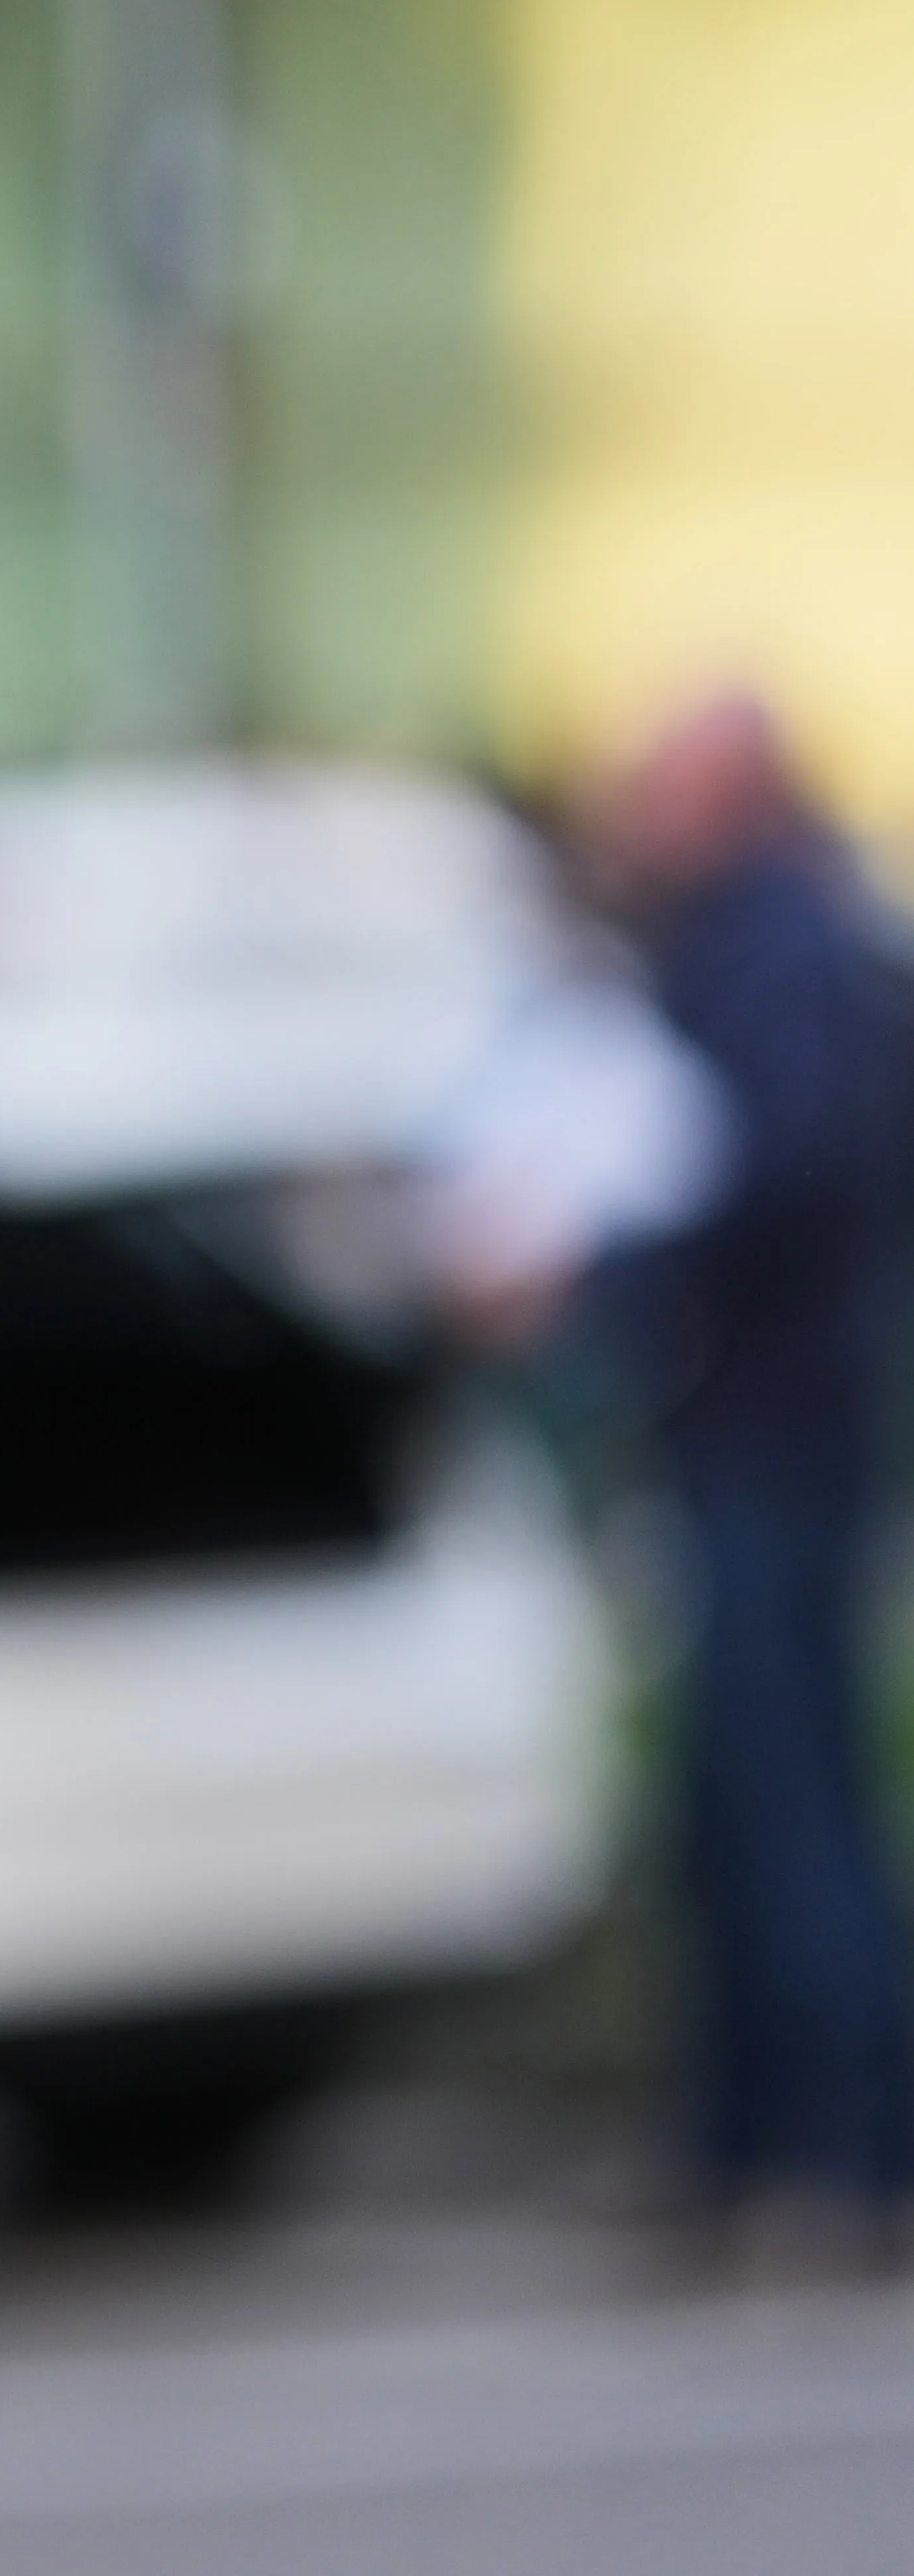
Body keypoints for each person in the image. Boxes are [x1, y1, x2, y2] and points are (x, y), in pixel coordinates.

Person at [590, 691, 914, 2260]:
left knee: (790, 1806)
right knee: (730, 1803)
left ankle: (855, 2156)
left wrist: (616, 1245)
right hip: (744, 1415)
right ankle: (745, 2143)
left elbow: (783, 1168)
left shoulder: (788, 951)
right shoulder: (742, 939)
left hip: (776, 1420)